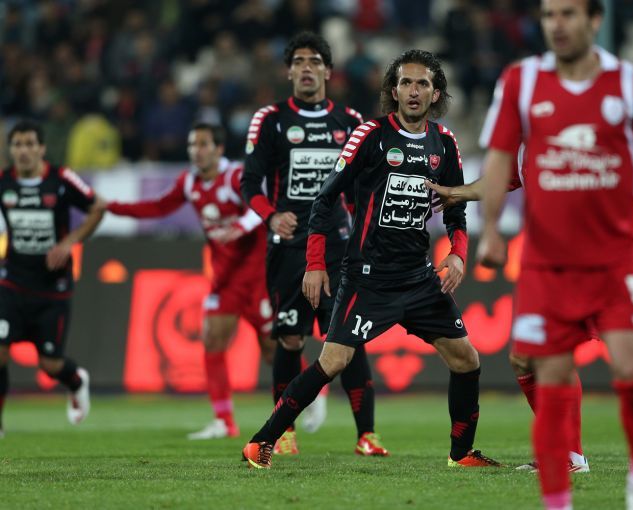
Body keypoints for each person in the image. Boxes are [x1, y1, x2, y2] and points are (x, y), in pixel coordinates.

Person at [476, 1, 633, 509]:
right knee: (546, 373)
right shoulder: (520, 83)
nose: (557, 24)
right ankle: (559, 500)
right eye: (549, 14)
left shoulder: (632, 85)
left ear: (595, 20)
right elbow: (499, 159)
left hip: (614, 260)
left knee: (631, 371)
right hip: (546, 263)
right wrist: (489, 228)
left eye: (569, 14)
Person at [241, 49, 503, 470]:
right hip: (367, 279)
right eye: (405, 83)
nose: (413, 91)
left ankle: (461, 454)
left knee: (466, 359)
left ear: (435, 93)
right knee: (333, 361)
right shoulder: (370, 135)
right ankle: (261, 442)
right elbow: (325, 199)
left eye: (422, 84)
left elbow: (455, 208)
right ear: (393, 91)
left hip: (419, 279)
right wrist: (315, 263)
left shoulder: (444, 142)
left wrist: (457, 254)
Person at [426, 174, 633, 475]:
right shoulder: (525, 151)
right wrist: (455, 193)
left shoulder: (569, 154)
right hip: (550, 264)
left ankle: (575, 458)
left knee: (554, 355)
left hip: (584, 263)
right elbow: (500, 180)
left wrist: (631, 265)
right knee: (523, 359)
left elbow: (598, 208)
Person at [241, 32, 385, 456]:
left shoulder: (351, 120)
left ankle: (367, 435)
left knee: (349, 339)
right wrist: (271, 215)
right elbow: (249, 182)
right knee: (289, 340)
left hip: (339, 249)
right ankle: (285, 432)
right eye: (299, 61)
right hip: (289, 247)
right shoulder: (270, 119)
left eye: (315, 61)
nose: (307, 68)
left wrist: (366, 234)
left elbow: (363, 188)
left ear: (328, 71)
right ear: (289, 71)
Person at [105, 122, 279, 439]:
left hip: (257, 276)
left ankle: (314, 393)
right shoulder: (188, 182)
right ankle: (224, 421)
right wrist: (112, 207)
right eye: (191, 144)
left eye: (202, 144)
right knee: (212, 341)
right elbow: (158, 207)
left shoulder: (236, 176)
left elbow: (261, 207)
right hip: (225, 278)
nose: (195, 151)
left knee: (273, 351)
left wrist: (239, 227)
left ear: (218, 148)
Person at [0, 120, 105, 436]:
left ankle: (76, 381)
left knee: (49, 364)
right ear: (10, 149)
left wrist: (69, 242)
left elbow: (98, 207)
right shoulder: (4, 181)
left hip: (52, 287)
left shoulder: (61, 179)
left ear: (42, 148)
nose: (24, 151)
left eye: (30, 144)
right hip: (12, 282)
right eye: (18, 144)